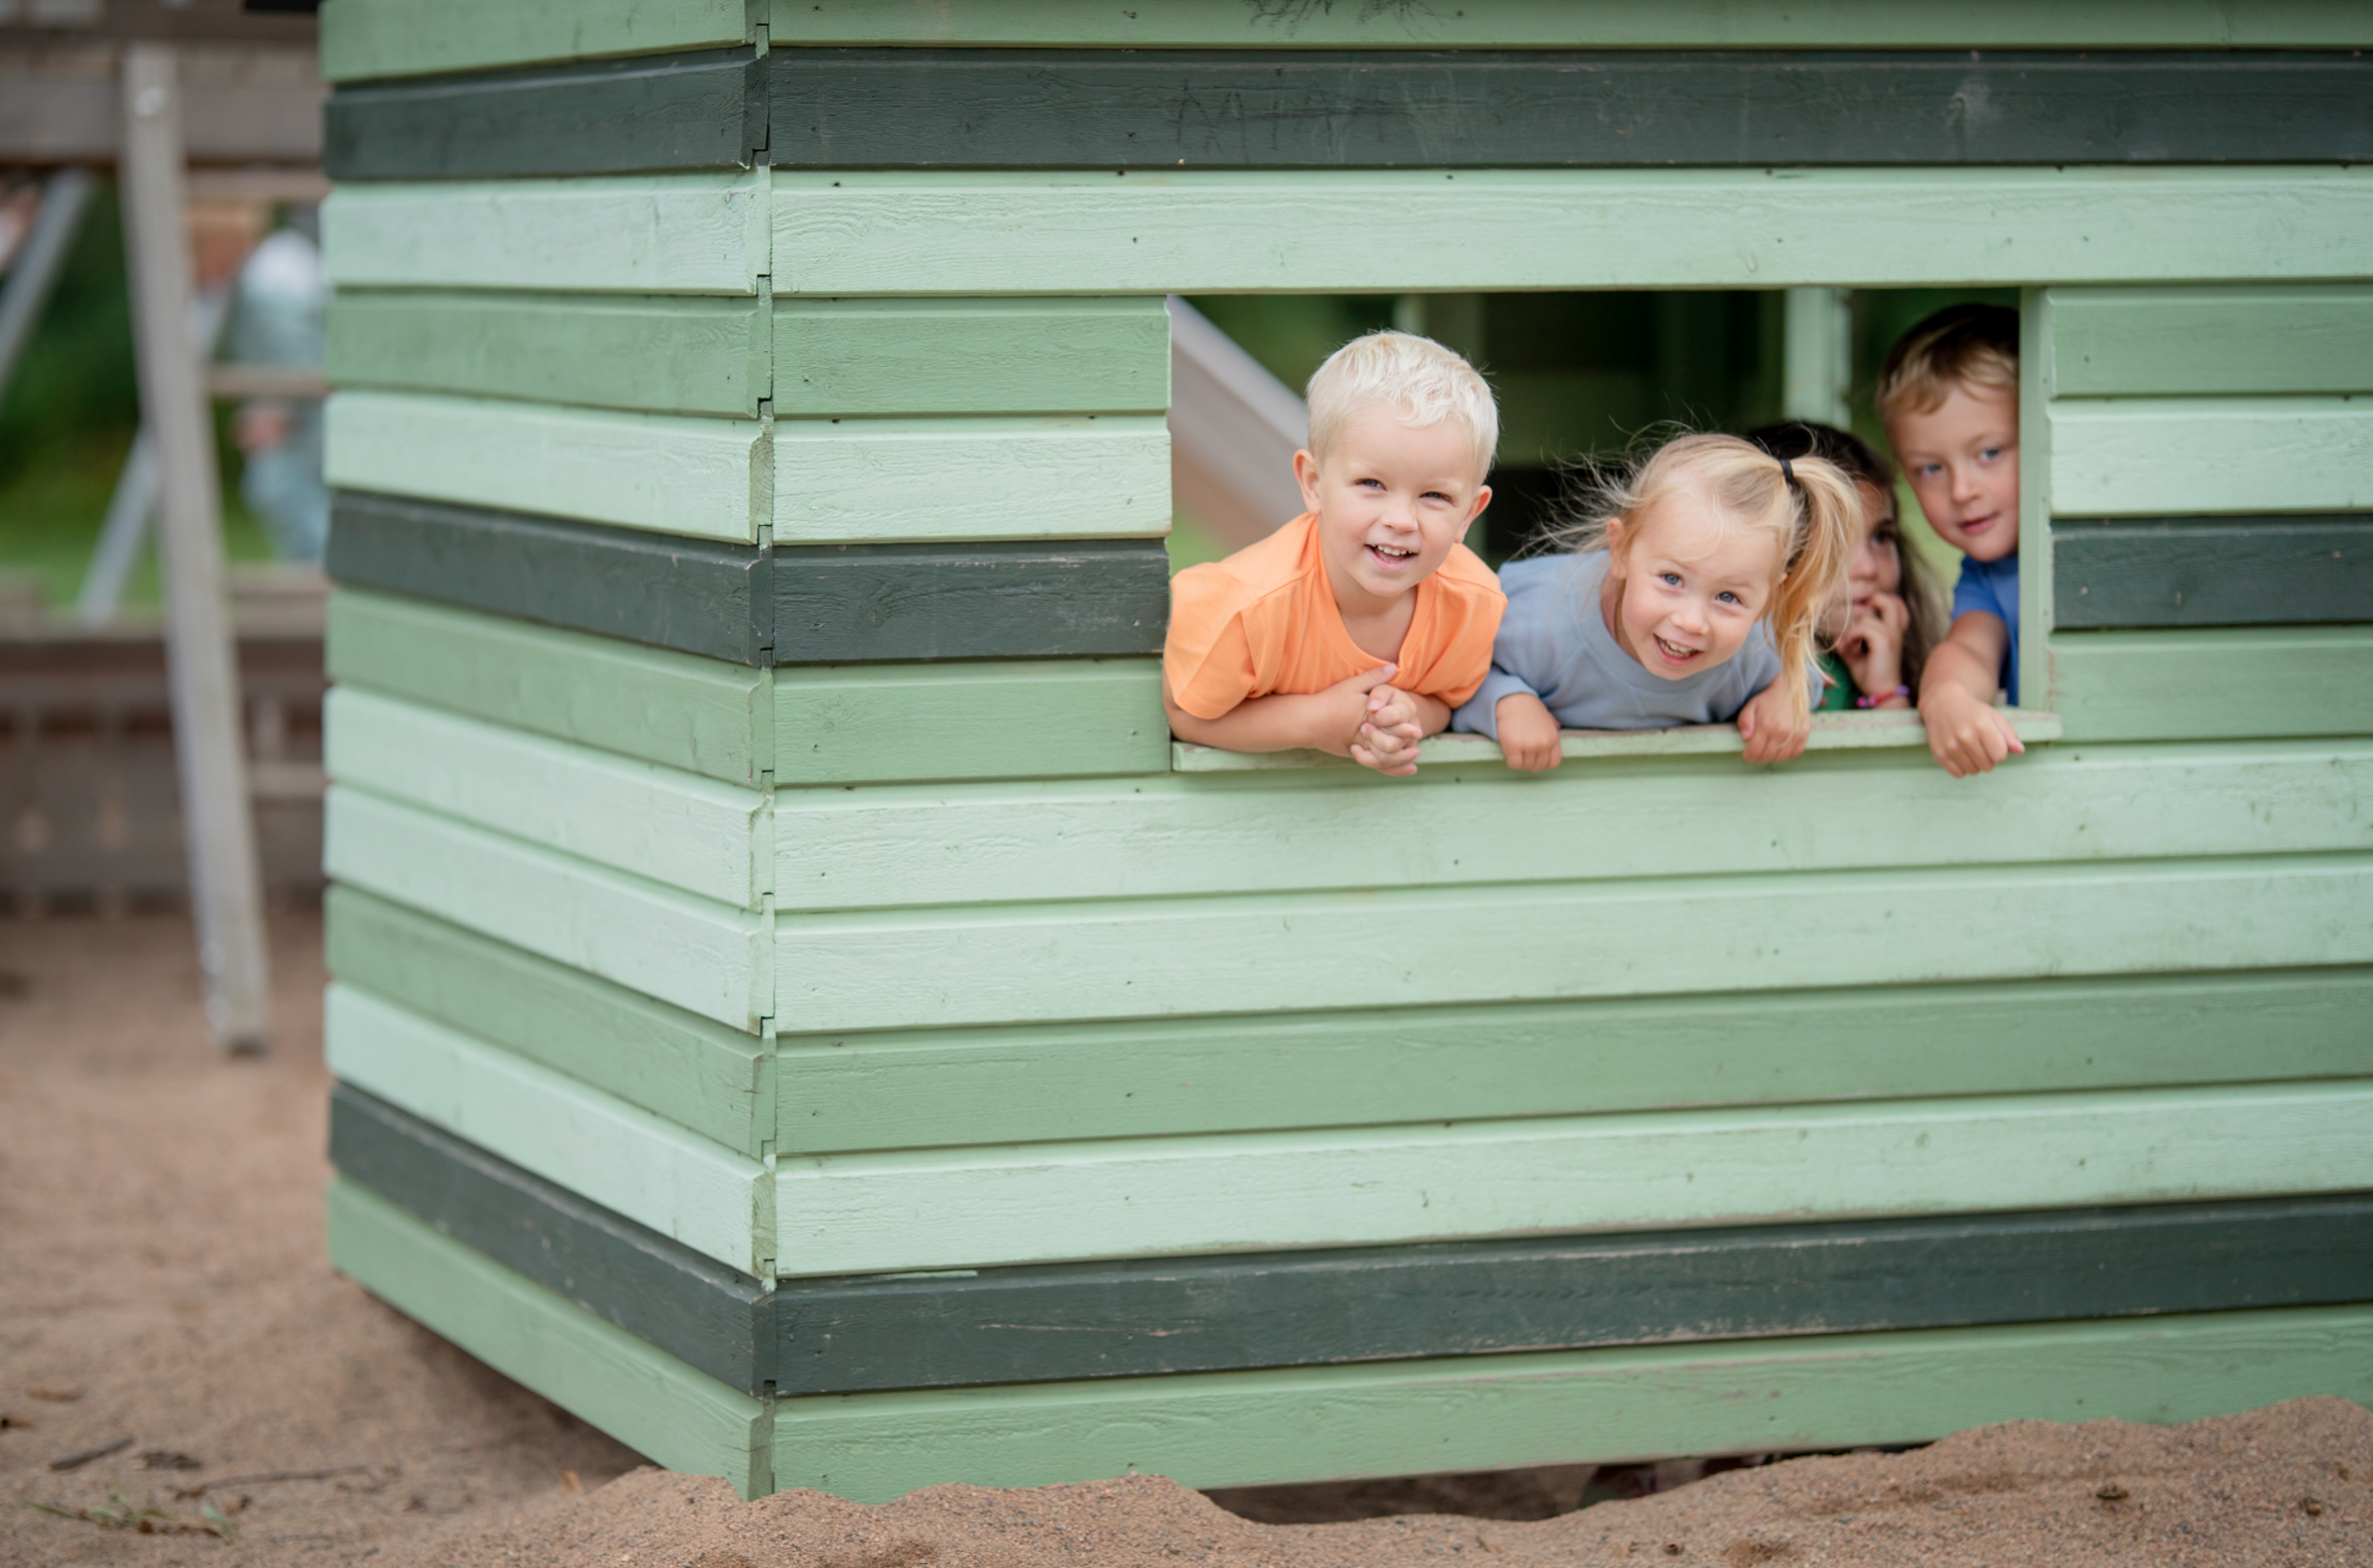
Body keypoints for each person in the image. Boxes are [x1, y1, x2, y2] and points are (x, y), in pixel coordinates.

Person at [1163, 330, 1506, 776]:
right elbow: (1184, 713)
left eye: (1435, 495)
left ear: (1469, 514)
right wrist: (1315, 721)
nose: (1401, 519)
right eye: (1371, 484)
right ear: (1314, 483)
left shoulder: (1472, 604)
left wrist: (1409, 714)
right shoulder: (1246, 609)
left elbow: (1447, 699)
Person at [1451, 432, 1860, 770]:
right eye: (1672, 579)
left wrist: (1788, 694)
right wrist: (1504, 701)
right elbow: (1447, 670)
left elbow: (1794, 667)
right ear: (1622, 551)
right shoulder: (1542, 620)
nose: (1693, 621)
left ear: (1773, 598)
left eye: (1728, 596)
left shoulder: (1751, 648)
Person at [1878, 304, 2025, 777]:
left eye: (1989, 452)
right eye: (1932, 469)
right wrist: (1945, 697)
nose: (1962, 491)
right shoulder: (1986, 577)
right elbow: (1970, 650)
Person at [1743, 421, 1943, 712]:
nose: (1868, 568)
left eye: (1881, 537)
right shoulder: (1727, 667)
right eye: (1835, 540)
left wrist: (1887, 692)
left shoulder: (1917, 670)